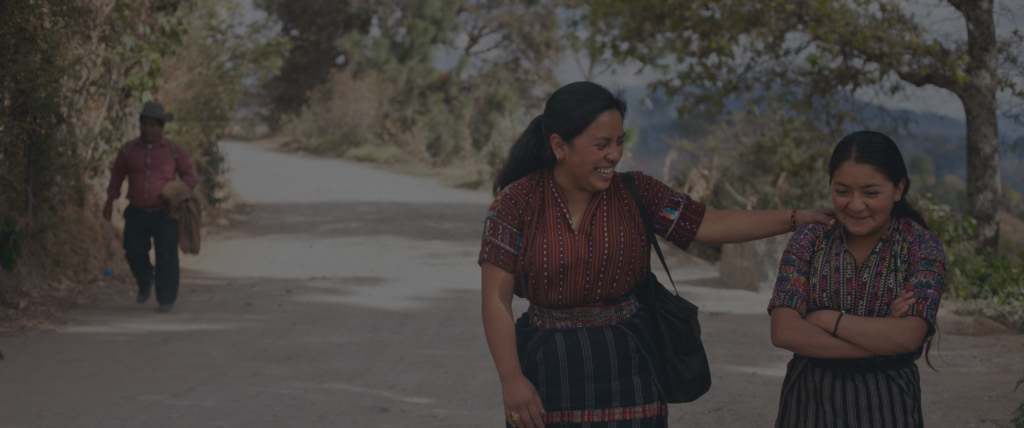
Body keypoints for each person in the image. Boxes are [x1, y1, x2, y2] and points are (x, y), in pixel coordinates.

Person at [478, 81, 834, 428]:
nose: (614, 155)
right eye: (601, 144)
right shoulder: (516, 203)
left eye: (619, 142)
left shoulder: (636, 192)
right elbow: (496, 299)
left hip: (631, 365)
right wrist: (511, 379)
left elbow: (710, 224)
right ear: (559, 145)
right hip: (546, 365)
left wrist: (795, 218)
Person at [767, 130, 945, 428]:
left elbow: (909, 336)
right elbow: (784, 332)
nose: (855, 205)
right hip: (808, 406)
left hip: (887, 406)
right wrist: (883, 338)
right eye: (842, 191)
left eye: (871, 193)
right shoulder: (809, 239)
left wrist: (822, 318)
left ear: (898, 188)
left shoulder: (920, 246)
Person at [104, 102, 197, 313]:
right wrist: (110, 201)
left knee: (167, 257)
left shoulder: (173, 150)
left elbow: (189, 175)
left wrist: (180, 192)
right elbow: (117, 175)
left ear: (161, 127)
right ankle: (146, 281)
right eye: (144, 124)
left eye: (153, 125)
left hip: (165, 213)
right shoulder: (128, 150)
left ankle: (166, 298)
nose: (148, 128)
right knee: (133, 251)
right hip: (136, 212)